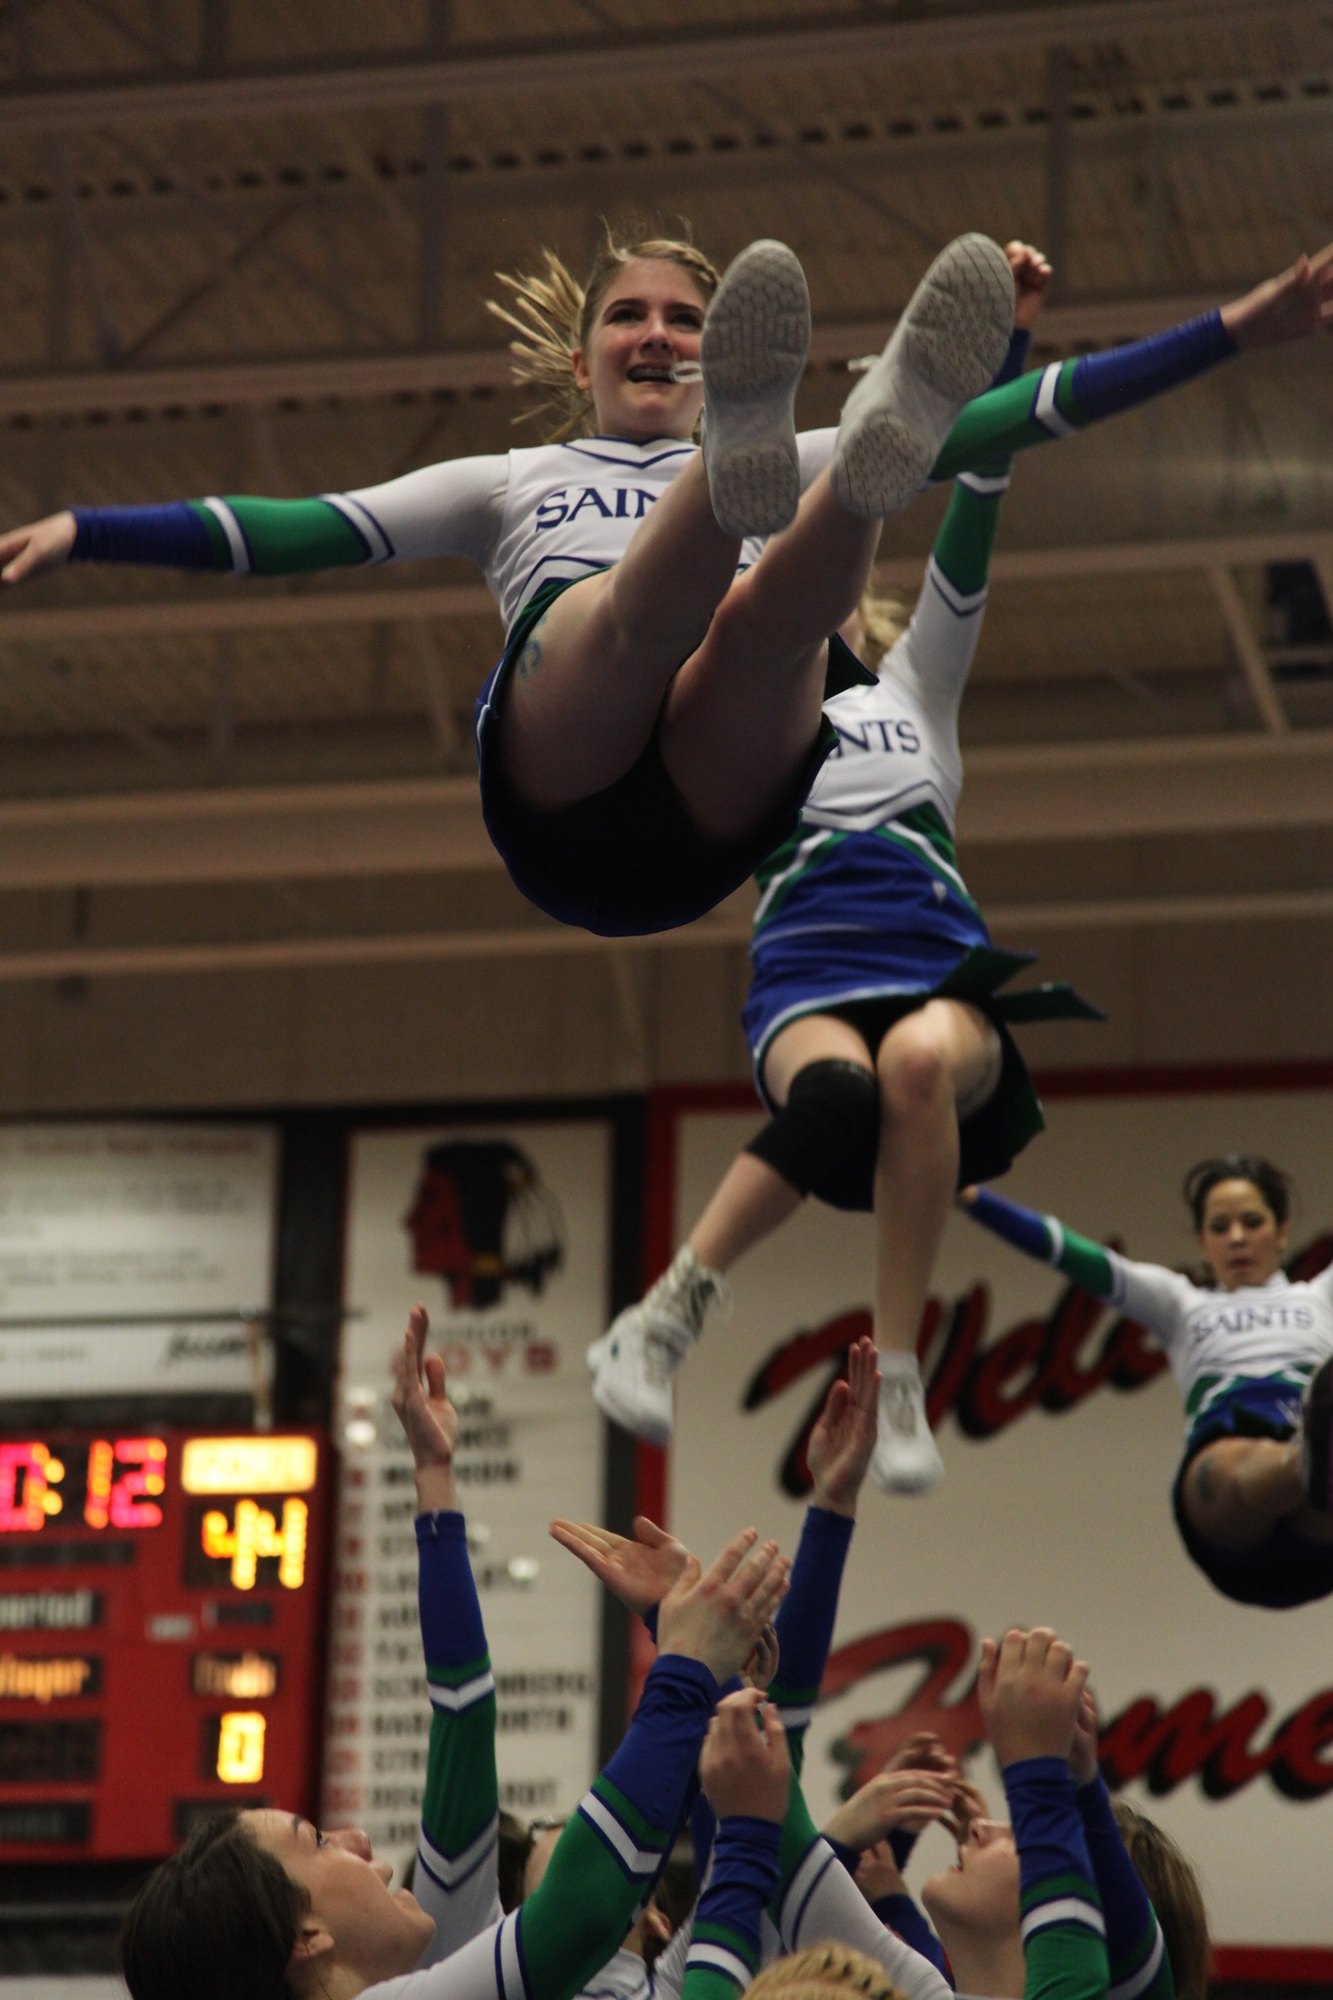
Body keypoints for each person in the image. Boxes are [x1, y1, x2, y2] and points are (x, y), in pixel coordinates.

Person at [583, 240, 1333, 1492]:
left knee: (919, 1064)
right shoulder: (732, 707)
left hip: (934, 966)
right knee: (837, 1099)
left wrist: (1005, 345)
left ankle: (898, 1373)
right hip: (806, 973)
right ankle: (662, 1316)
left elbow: (985, 475)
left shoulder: (917, 686)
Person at [4, 241, 1328, 942]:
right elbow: (295, 531)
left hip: (700, 818)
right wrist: (88, 528)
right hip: (568, 789)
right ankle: (819, 460)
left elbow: (1019, 418)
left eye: (684, 320)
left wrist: (1234, 328)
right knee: (641, 616)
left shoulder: (767, 460)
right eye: (627, 315)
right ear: (581, 357)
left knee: (770, 631)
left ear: (710, 350)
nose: (653, 332)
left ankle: (871, 455)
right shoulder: (509, 481)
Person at [118, 1305, 790, 2000]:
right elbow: (581, 1912)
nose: (356, 1838)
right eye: (316, 1842)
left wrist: (434, 1480)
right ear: (306, 1936)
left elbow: (462, 1715)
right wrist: (686, 1668)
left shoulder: (428, 1971)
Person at [960, 1155, 1333, 1607]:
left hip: (1318, 1527)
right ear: (1202, 1242)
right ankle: (1304, 1459)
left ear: (1282, 1231)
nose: (1236, 1238)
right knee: (1244, 1461)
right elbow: (1069, 1253)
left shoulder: (1320, 1297)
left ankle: (1311, 1453)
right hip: (1228, 1500)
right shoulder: (1180, 1303)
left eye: (1252, 1222)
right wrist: (973, 1199)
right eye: (1220, 1227)